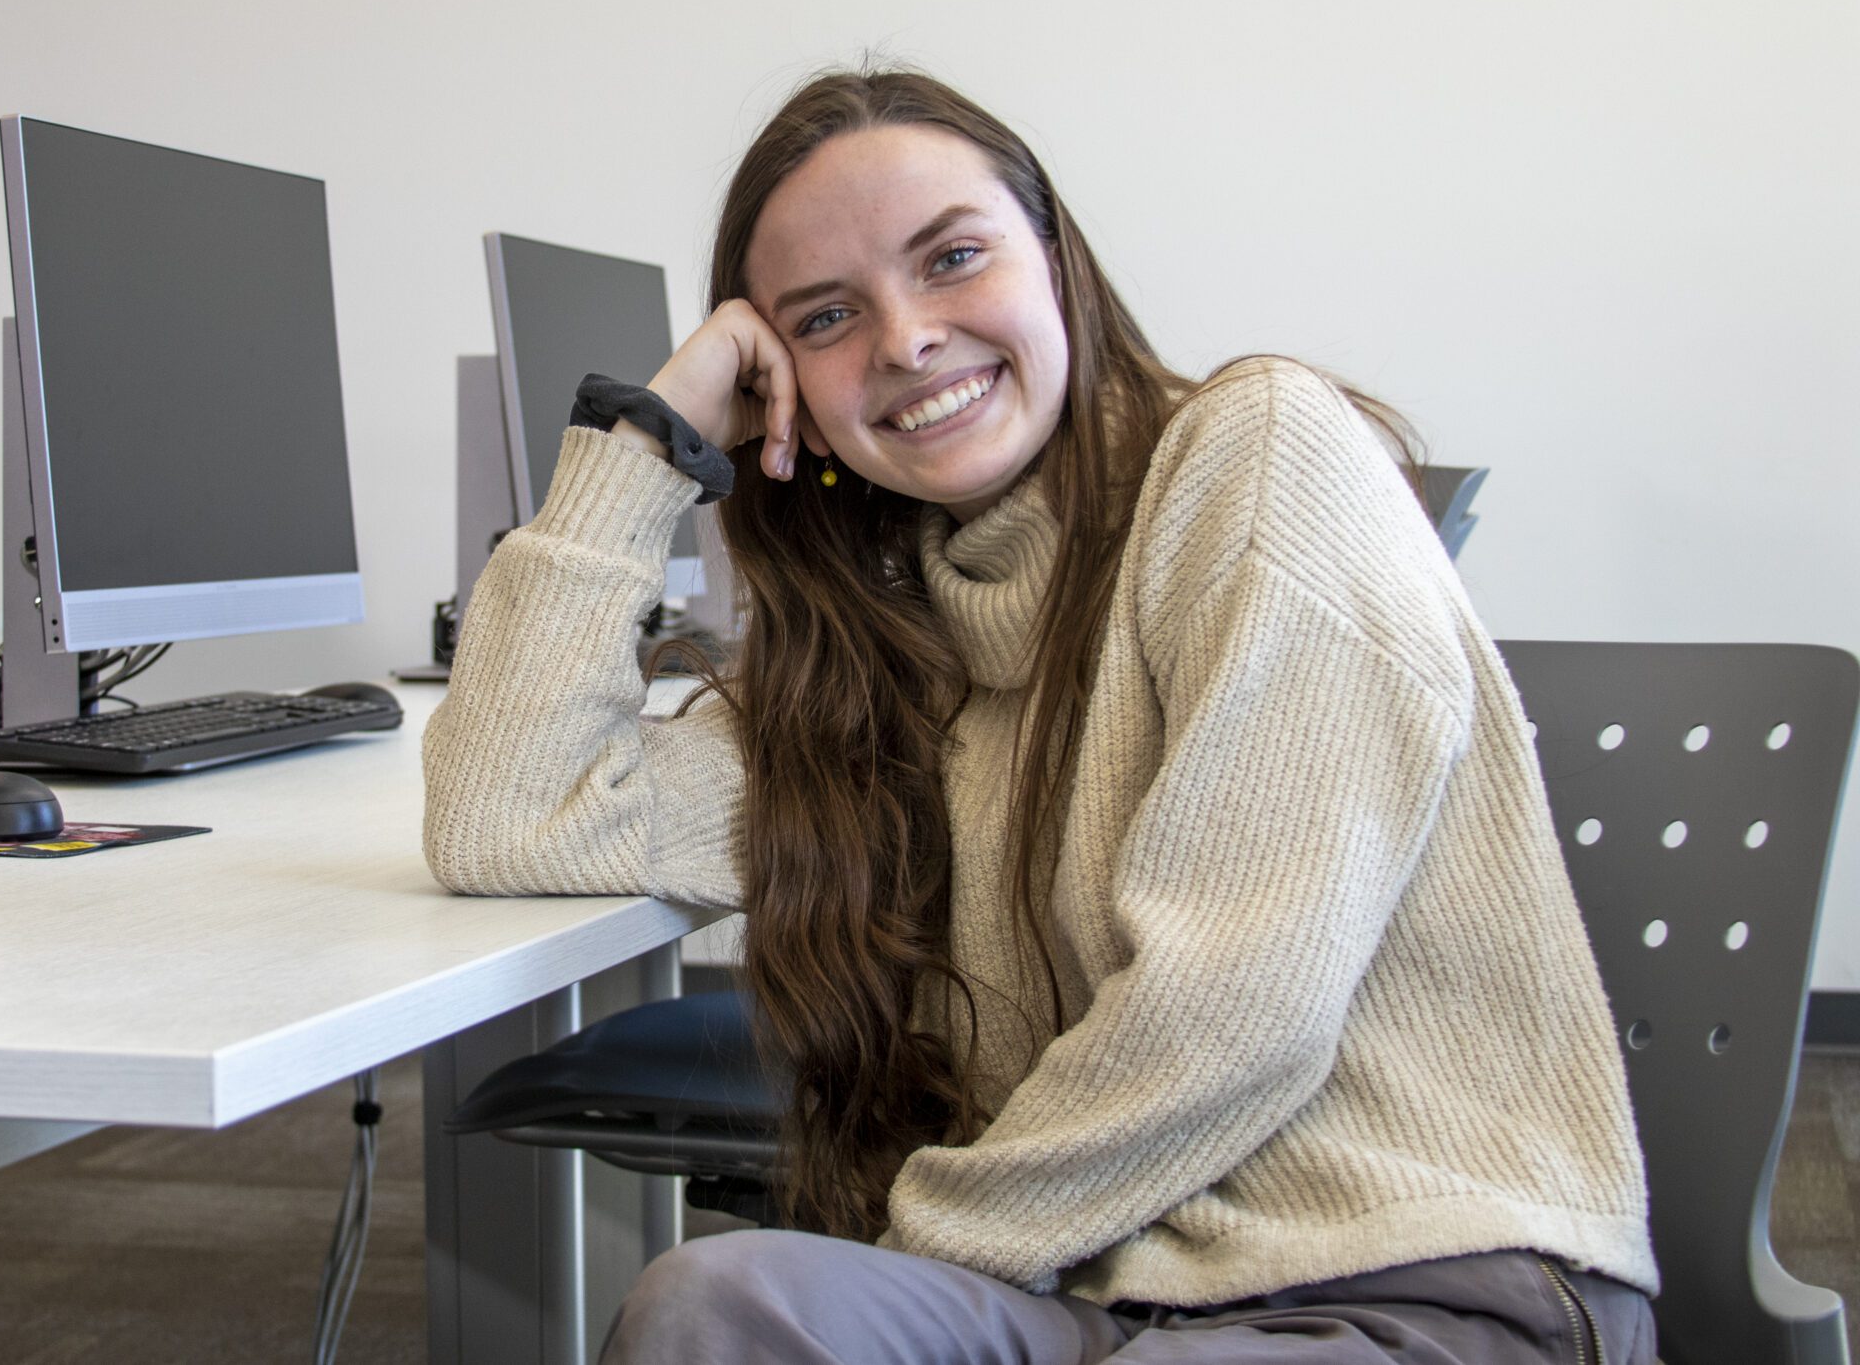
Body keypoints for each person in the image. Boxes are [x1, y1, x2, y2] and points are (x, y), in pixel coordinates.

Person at [422, 68, 1655, 1364]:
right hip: (1098, 1288)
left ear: (1058, 263)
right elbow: (512, 820)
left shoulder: (1259, 451)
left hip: (1408, 1292)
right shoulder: (883, 640)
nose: (903, 341)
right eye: (828, 318)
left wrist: (911, 1268)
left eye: (952, 258)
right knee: (710, 1304)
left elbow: (1232, 1008)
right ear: (793, 396)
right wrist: (647, 442)